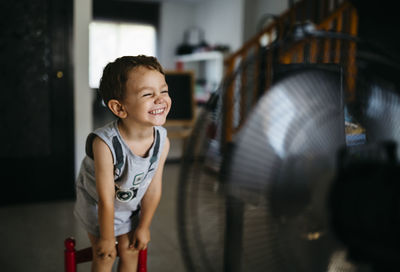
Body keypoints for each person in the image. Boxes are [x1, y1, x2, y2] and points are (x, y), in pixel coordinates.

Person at [74, 55, 171, 272]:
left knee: (130, 250)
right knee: (105, 255)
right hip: (98, 204)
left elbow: (154, 189)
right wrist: (108, 239)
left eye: (163, 91)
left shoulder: (162, 142)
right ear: (119, 108)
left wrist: (144, 226)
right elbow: (105, 198)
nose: (160, 99)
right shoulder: (104, 144)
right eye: (148, 94)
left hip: (129, 204)